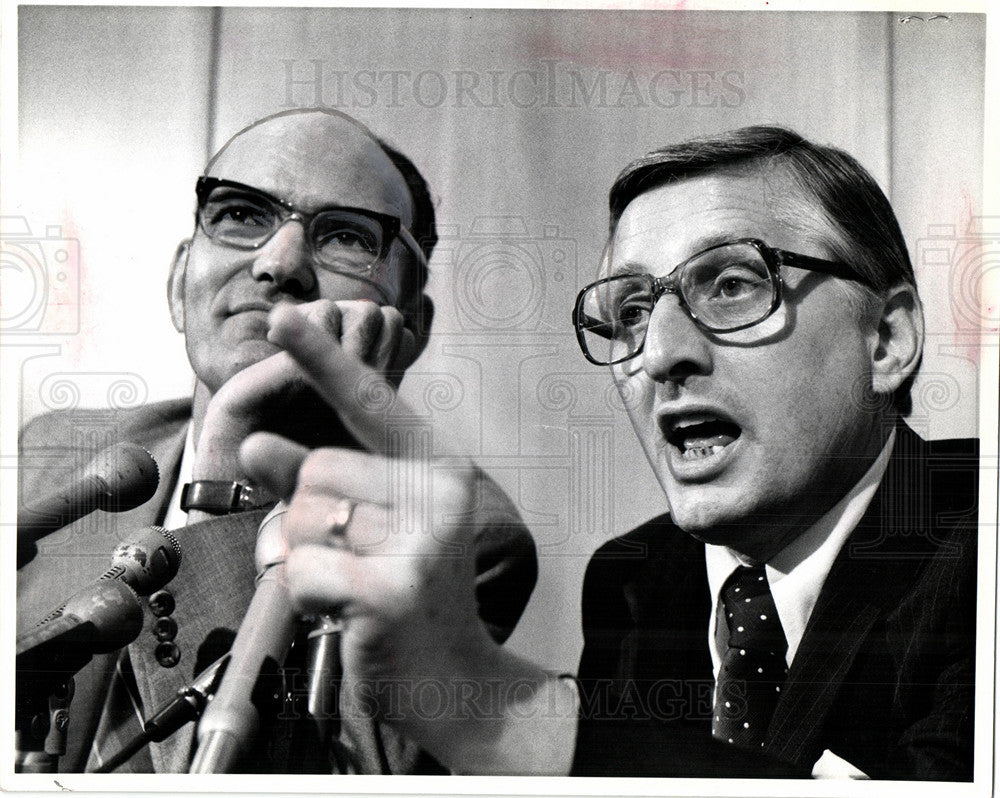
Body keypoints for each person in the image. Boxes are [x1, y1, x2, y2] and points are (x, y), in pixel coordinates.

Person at [242, 126, 978, 780]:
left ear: (887, 341)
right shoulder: (634, 581)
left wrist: (497, 713)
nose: (660, 353)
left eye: (730, 285)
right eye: (629, 311)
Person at [15, 108, 537, 773]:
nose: (279, 263)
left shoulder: (461, 537)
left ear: (411, 323)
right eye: (240, 213)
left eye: (347, 236)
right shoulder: (54, 456)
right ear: (180, 283)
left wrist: (229, 473)